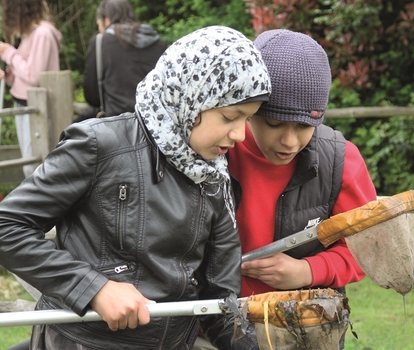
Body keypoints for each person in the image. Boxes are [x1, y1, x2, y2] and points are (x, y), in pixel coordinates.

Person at [0, 25, 271, 350]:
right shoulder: (100, 145)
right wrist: (93, 288)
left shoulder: (215, 178)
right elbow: (8, 226)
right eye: (230, 116)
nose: (240, 135)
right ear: (191, 96)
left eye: (247, 119)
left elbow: (220, 305)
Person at [228, 29, 377, 348]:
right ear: (250, 107)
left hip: (307, 329)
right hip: (221, 324)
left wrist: (307, 271)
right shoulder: (217, 148)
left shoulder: (341, 161)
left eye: (305, 126)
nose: (290, 141)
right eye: (275, 123)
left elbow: (369, 249)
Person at [0, 0, 62, 178]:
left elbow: (34, 77)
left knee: (35, 166)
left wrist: (8, 52)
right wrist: (10, 75)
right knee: (30, 164)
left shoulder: (42, 34)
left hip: (36, 109)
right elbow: (26, 73)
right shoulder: (30, 34)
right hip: (25, 105)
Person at [79, 0, 167, 121]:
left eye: (99, 24)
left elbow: (92, 97)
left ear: (107, 20)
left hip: (117, 126)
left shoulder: (100, 42)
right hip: (156, 124)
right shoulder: (159, 43)